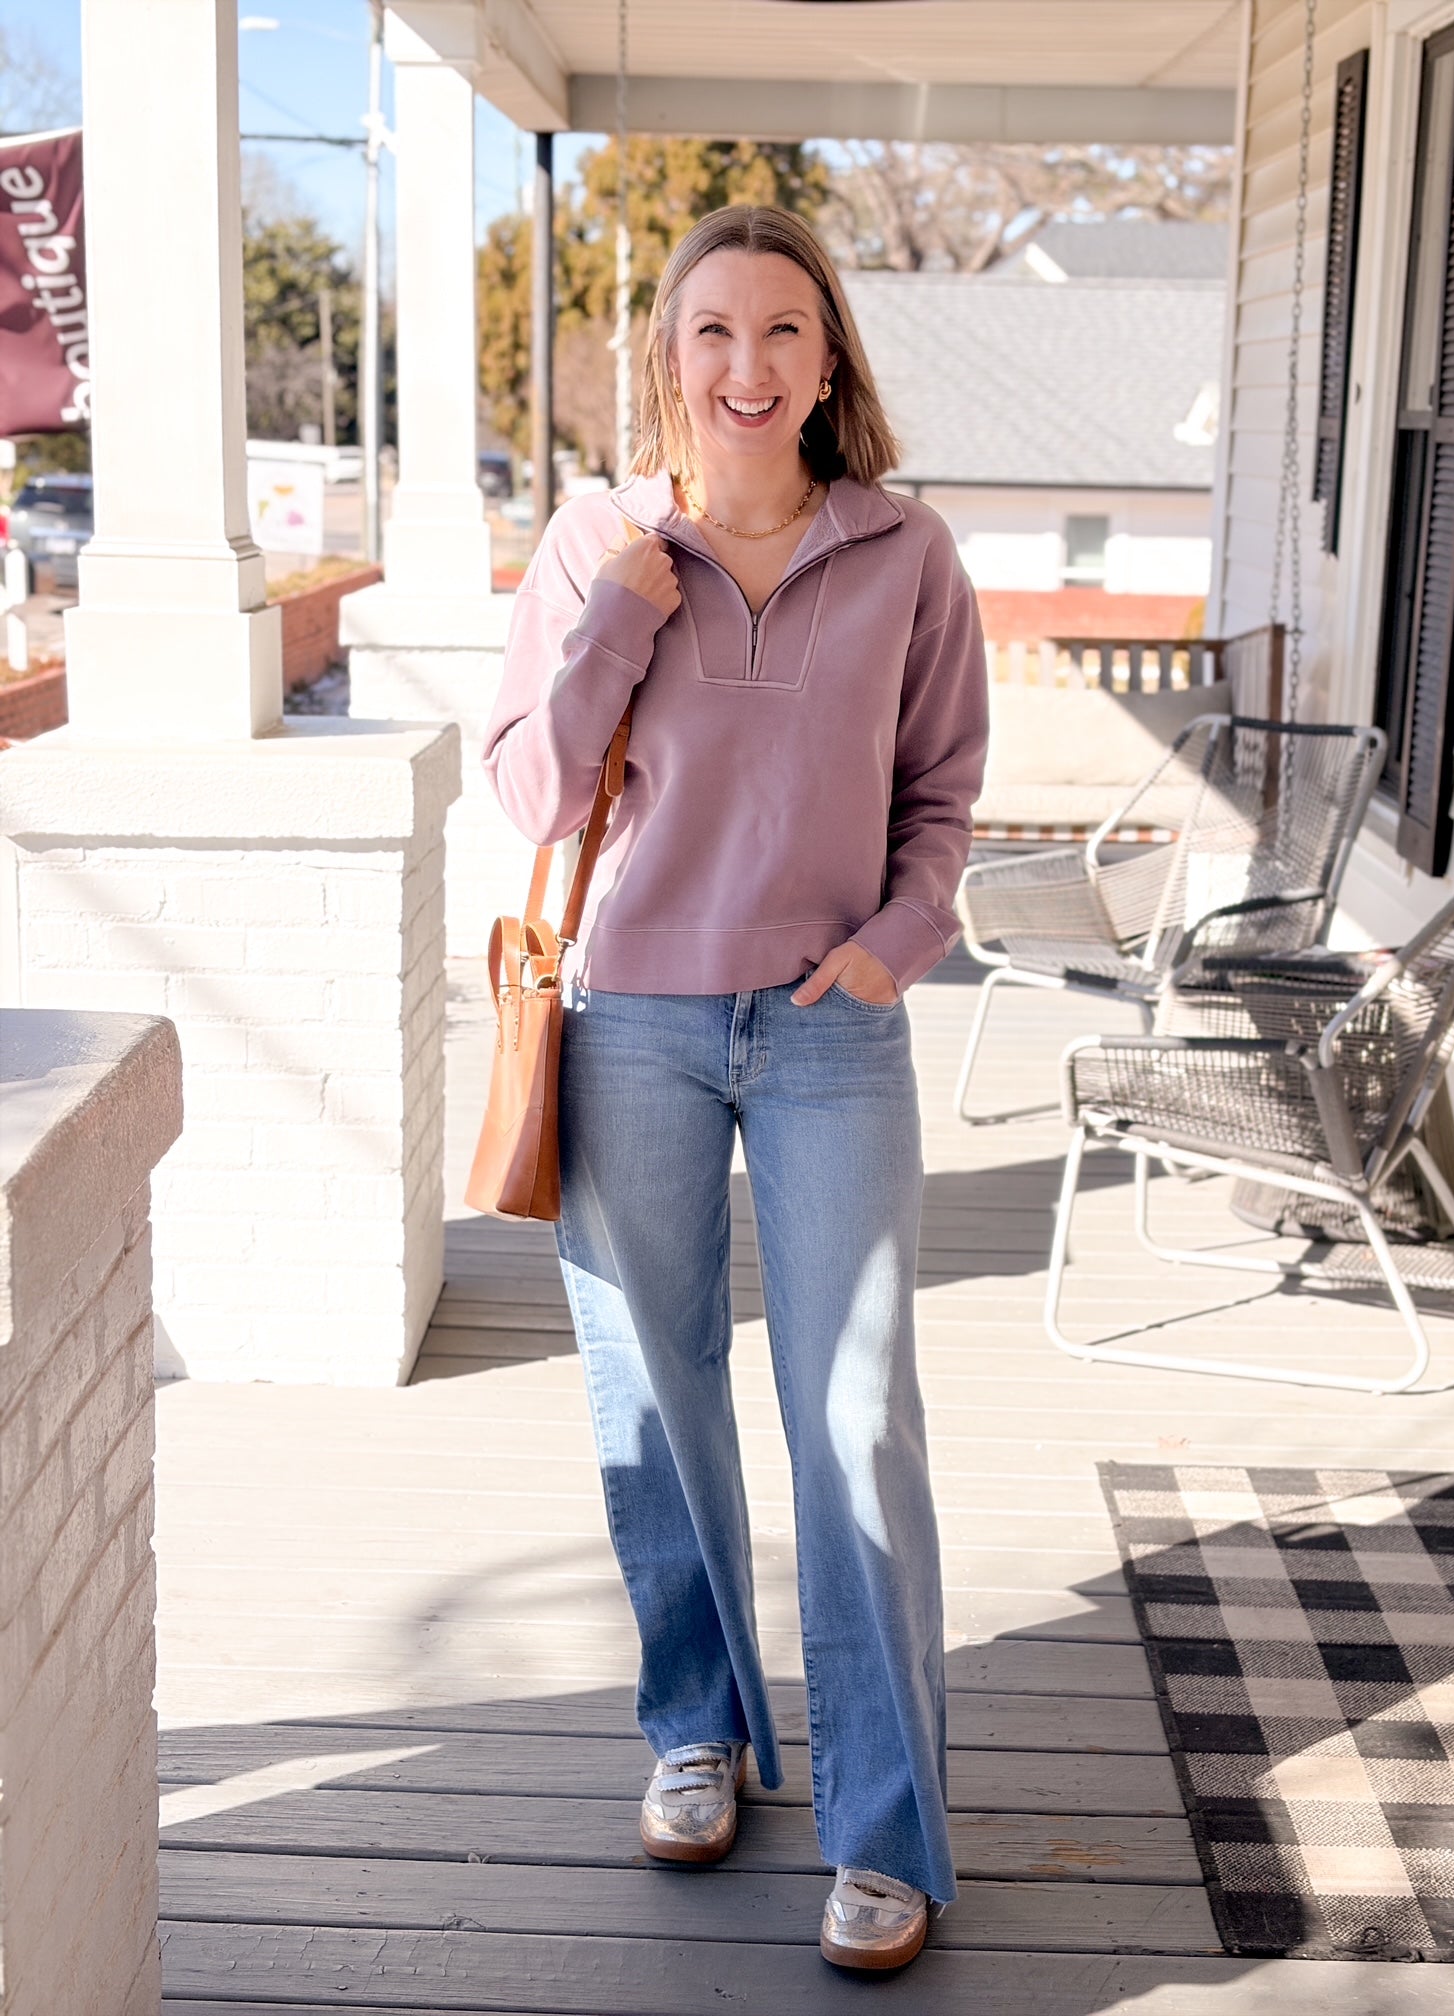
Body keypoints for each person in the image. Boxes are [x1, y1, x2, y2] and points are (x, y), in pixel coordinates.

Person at [481, 204, 988, 1973]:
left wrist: (896, 943)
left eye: (783, 332)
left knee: (854, 1416)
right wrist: (623, 607)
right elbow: (536, 798)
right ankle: (698, 1731)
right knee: (656, 1402)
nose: (747, 366)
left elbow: (942, 798)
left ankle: (886, 1828)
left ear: (829, 358)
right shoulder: (593, 544)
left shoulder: (909, 552)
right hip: (631, 1023)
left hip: (833, 1028)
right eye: (712, 332)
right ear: (667, 355)